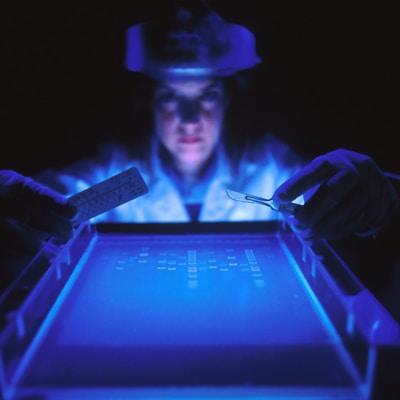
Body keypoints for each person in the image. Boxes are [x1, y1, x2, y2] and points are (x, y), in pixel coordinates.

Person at [1, 5, 400, 291]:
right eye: (171, 97)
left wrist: (382, 195)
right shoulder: (107, 175)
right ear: (149, 102)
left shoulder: (271, 170)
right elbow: (38, 206)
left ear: (229, 99)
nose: (189, 118)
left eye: (207, 95)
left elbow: (339, 197)